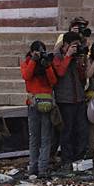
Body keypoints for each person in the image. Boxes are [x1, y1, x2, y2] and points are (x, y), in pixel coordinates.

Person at [20, 41, 58, 178]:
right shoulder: (27, 62)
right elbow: (26, 76)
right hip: (33, 103)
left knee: (45, 137)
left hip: (46, 104)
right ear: (31, 52)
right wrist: (33, 61)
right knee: (35, 137)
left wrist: (47, 66)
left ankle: (42, 168)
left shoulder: (47, 61)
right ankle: (33, 166)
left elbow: (53, 81)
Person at [52, 31, 89, 167]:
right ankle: (67, 160)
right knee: (66, 131)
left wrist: (81, 62)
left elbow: (82, 79)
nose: (76, 48)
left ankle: (80, 158)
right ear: (66, 44)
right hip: (65, 100)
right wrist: (68, 56)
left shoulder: (77, 57)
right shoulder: (57, 56)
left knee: (82, 130)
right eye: (74, 45)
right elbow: (60, 72)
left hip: (78, 98)